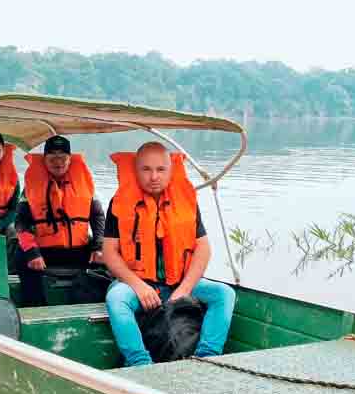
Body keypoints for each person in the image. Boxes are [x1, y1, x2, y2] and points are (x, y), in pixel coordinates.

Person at [102, 141, 236, 366]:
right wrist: (138, 285)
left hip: (179, 283)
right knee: (116, 299)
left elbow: (203, 249)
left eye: (160, 169)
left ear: (170, 171)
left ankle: (207, 357)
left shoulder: (185, 200)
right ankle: (140, 362)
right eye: (146, 169)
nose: (153, 176)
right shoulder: (120, 202)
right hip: (137, 285)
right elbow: (109, 252)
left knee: (224, 294)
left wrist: (183, 290)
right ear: (136, 170)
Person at [14, 135, 105, 306]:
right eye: (52, 157)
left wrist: (98, 247)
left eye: (63, 157)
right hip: (45, 253)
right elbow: (20, 222)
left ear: (70, 159)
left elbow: (98, 216)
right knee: (21, 254)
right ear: (44, 159)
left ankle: (91, 305)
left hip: (79, 251)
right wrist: (32, 252)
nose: (58, 162)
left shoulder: (86, 184)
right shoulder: (31, 187)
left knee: (112, 256)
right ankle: (35, 306)